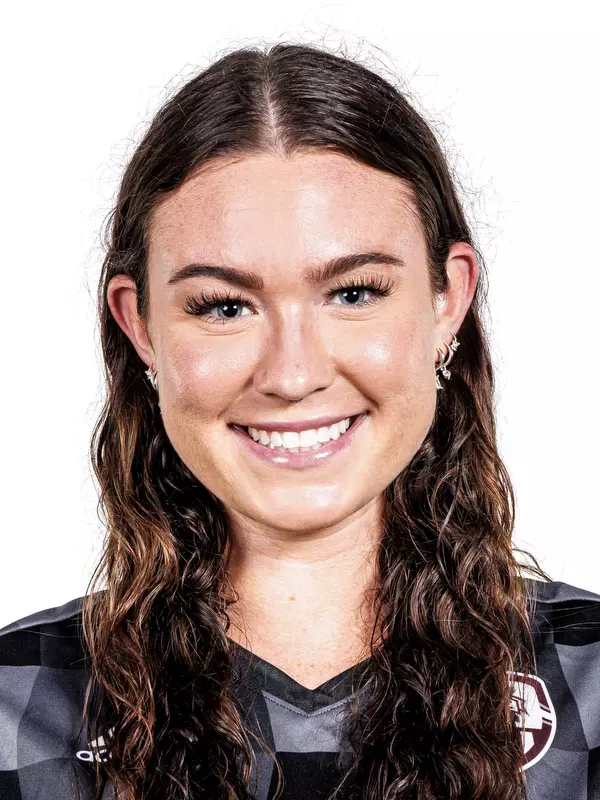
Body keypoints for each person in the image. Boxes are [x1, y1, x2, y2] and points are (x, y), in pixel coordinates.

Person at [1, 41, 599, 800]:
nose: (292, 374)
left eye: (353, 293)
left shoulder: (590, 681)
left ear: (447, 300)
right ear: (140, 325)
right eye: (224, 306)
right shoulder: (18, 701)